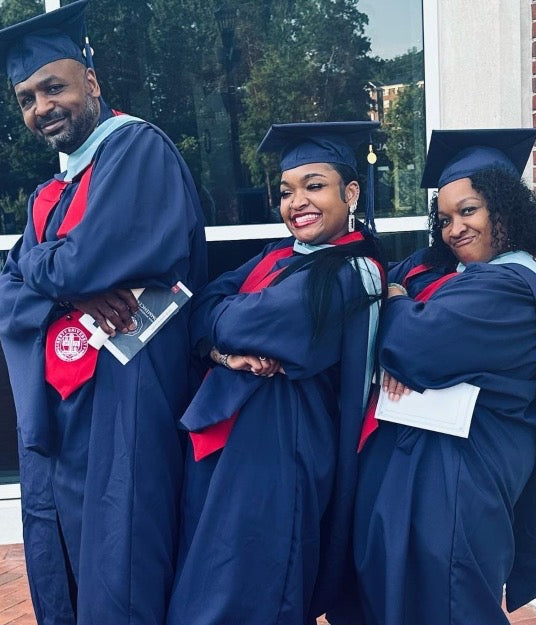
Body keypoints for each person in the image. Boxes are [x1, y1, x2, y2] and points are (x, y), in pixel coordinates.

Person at [0, 2, 207, 623]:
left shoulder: (136, 150)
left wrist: (54, 275)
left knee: (125, 554)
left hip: (125, 396)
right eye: (27, 98)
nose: (41, 107)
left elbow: (76, 265)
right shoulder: (47, 192)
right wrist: (65, 285)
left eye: (53, 87)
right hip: (61, 408)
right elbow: (5, 292)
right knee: (65, 556)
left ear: (92, 79)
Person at [339, 128, 536, 625]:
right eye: (446, 219)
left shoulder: (509, 287)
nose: (455, 229)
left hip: (463, 479)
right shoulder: (460, 275)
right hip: (433, 470)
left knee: (452, 601)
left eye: (469, 211)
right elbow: (396, 278)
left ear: (504, 209)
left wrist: (399, 308)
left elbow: (414, 345)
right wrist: (401, 300)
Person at [167, 121, 385, 625]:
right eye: (287, 191)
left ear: (350, 192)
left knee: (253, 588)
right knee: (214, 576)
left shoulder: (353, 271)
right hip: (242, 441)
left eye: (314, 185)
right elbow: (201, 306)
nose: (297, 202)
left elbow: (252, 319)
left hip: (284, 450)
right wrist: (225, 353)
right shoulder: (281, 256)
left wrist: (223, 327)